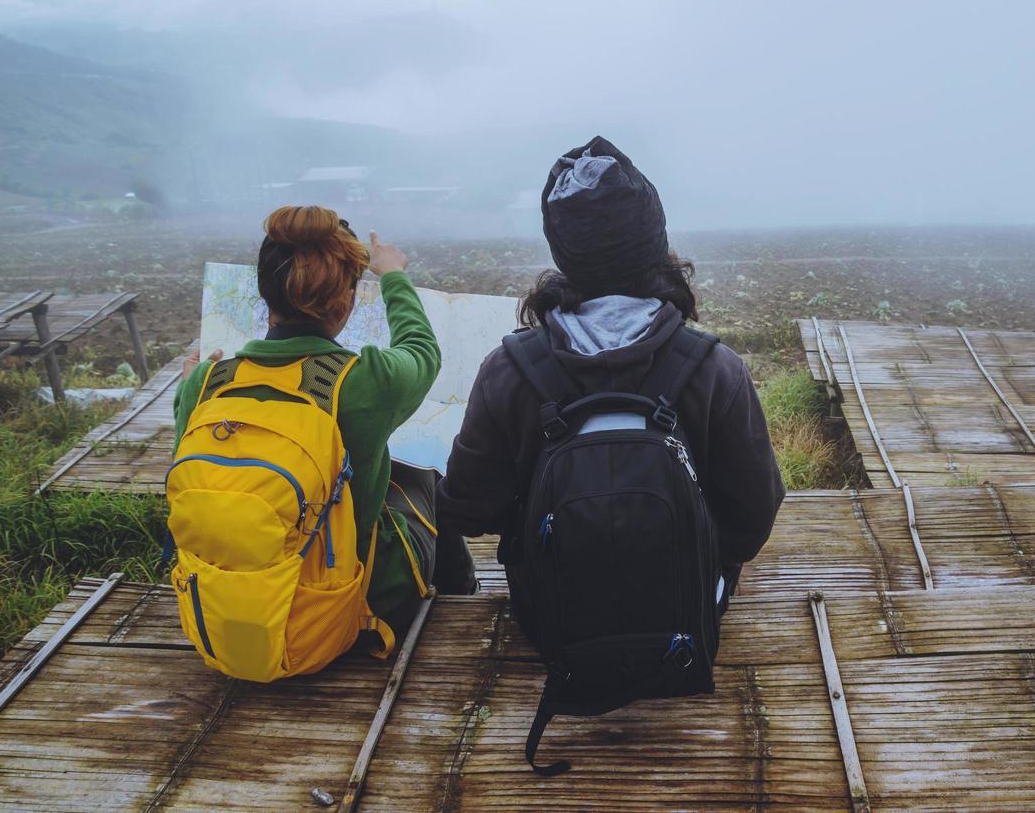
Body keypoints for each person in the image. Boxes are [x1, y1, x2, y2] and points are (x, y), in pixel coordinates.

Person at [438, 135, 784, 621]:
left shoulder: (508, 369)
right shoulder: (714, 367)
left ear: (562, 251)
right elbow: (752, 516)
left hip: (550, 618)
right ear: (655, 242)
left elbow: (469, 510)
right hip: (685, 617)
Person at [171, 205, 475, 670]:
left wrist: (187, 389)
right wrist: (392, 274)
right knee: (424, 481)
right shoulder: (365, 380)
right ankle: (461, 604)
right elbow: (421, 350)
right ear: (346, 302)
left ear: (264, 292)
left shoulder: (206, 382)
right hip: (343, 613)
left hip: (220, 609)